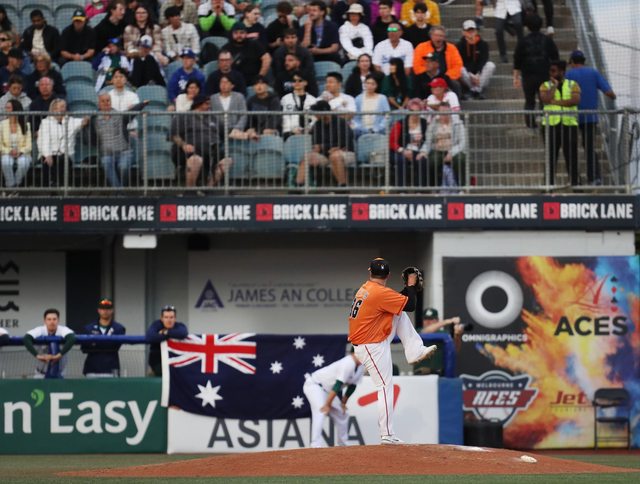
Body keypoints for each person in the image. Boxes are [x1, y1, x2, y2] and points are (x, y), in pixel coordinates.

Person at [348, 258, 436, 444]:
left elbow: (399, 302)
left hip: (373, 340)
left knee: (399, 311)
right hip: (370, 345)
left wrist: (408, 288)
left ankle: (415, 350)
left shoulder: (366, 288)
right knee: (385, 386)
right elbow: (411, 305)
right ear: (388, 275)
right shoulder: (380, 293)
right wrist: (410, 285)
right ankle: (387, 434)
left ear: (369, 272)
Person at [566, 50, 616, 186]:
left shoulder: (568, 74)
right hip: (590, 117)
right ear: (584, 61)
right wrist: (613, 98)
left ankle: (575, 180)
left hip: (572, 117)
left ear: (572, 62)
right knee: (589, 147)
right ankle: (594, 178)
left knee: (570, 148)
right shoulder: (593, 73)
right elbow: (610, 93)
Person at [302, 348, 364, 448]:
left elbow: (352, 386)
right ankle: (315, 444)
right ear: (354, 353)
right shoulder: (348, 362)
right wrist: (327, 404)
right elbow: (338, 385)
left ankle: (343, 443)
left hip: (328, 390)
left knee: (342, 414)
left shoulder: (361, 366)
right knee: (321, 410)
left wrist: (343, 403)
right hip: (315, 385)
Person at [90, 92, 148, 187]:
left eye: (108, 100)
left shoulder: (119, 115)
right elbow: (89, 135)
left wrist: (142, 104)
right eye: (103, 101)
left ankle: (119, 190)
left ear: (111, 102)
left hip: (124, 152)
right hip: (106, 154)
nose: (106, 103)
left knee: (123, 167)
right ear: (99, 104)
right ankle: (120, 191)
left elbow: (132, 112)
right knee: (106, 163)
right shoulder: (94, 119)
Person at [539, 59, 581, 187]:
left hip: (569, 125)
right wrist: (554, 86)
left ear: (562, 72)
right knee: (551, 157)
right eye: (550, 71)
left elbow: (575, 100)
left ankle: (575, 184)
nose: (551, 73)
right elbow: (546, 99)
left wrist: (556, 102)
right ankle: (549, 185)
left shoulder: (573, 84)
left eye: (554, 71)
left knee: (571, 157)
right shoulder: (545, 85)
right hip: (550, 126)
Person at [513, 14, 558, 129]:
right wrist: (554, 75)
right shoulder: (547, 40)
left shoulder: (523, 41)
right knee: (545, 101)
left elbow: (517, 60)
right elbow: (555, 58)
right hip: (544, 74)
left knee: (529, 101)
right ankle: (545, 124)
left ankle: (530, 125)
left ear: (527, 26)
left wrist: (516, 77)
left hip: (528, 76)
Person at [171, 94, 226, 187]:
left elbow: (228, 132)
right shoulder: (183, 116)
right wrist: (184, 145)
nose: (209, 106)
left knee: (226, 161)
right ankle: (190, 191)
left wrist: (246, 134)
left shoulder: (214, 118)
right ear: (199, 104)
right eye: (207, 103)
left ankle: (209, 188)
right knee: (196, 159)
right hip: (190, 151)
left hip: (212, 150)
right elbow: (174, 135)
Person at [296, 100, 354, 187]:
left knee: (335, 156)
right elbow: (316, 143)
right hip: (324, 154)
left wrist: (324, 146)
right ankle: (298, 185)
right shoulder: (317, 125)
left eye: (317, 113)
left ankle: (342, 186)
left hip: (345, 152)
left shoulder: (341, 122)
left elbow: (344, 142)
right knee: (307, 157)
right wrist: (319, 148)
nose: (315, 115)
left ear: (324, 111)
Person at [37, 98, 87, 187]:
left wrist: (87, 119)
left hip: (65, 154)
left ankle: (61, 187)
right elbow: (43, 140)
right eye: (61, 107)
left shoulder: (70, 121)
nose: (64, 109)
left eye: (64, 106)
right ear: (54, 109)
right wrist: (47, 155)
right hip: (49, 153)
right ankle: (48, 188)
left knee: (63, 161)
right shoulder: (46, 122)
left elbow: (82, 121)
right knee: (47, 162)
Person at [417, 102, 466, 189]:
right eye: (441, 112)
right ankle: (435, 187)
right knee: (433, 160)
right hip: (437, 149)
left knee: (460, 159)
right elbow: (428, 141)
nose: (444, 115)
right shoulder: (433, 123)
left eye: (446, 112)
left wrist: (451, 152)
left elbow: (462, 142)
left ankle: (462, 187)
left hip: (453, 149)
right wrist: (423, 151)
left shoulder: (458, 123)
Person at [23, 308, 76, 379]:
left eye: (54, 319)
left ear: (58, 320)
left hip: (60, 373)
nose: (52, 322)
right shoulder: (40, 330)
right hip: (40, 373)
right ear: (45, 321)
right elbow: (26, 338)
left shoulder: (63, 329)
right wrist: (37, 356)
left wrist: (59, 355)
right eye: (49, 319)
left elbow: (72, 338)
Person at [81, 298, 127, 377]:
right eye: (102, 309)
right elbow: (84, 348)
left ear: (112, 310)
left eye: (108, 309)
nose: (105, 311)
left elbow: (114, 347)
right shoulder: (89, 328)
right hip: (92, 368)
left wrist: (94, 343)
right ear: (98, 310)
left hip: (111, 368)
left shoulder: (119, 328)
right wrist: (106, 342)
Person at [413, 26, 463, 97]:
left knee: (455, 84)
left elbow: (458, 66)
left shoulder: (452, 48)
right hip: (427, 77)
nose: (438, 38)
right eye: (436, 35)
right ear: (431, 36)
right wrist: (430, 75)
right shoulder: (421, 47)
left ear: (444, 37)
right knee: (418, 82)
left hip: (446, 77)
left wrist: (446, 77)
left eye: (441, 36)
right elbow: (416, 66)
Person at [389, 97, 428, 186]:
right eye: (412, 111)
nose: (414, 114)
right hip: (399, 150)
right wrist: (403, 151)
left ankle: (420, 189)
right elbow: (392, 142)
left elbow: (428, 140)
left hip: (417, 150)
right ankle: (401, 189)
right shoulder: (400, 123)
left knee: (422, 160)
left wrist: (423, 152)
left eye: (417, 111)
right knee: (401, 160)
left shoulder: (424, 123)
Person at [413, 307, 462, 375]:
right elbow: (425, 332)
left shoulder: (444, 333)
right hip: (421, 373)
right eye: (426, 319)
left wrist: (458, 336)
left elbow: (455, 350)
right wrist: (448, 321)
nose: (428, 321)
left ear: (437, 320)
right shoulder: (417, 331)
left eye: (431, 319)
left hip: (439, 373)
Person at [456, 19, 495, 100]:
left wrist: (478, 74)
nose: (471, 33)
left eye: (472, 30)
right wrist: (471, 74)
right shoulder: (459, 45)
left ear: (476, 31)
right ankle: (477, 91)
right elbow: (461, 62)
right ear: (463, 32)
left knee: (490, 65)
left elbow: (483, 60)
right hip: (468, 75)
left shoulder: (483, 44)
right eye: (468, 31)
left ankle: (475, 90)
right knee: (460, 68)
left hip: (480, 76)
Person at [223, 22, 271, 87]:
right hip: (233, 83)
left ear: (246, 33)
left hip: (254, 82)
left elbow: (267, 58)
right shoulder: (226, 48)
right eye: (236, 33)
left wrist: (260, 76)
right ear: (232, 34)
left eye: (242, 33)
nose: (239, 35)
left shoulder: (254, 44)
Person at [146, 304, 189, 376]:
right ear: (162, 318)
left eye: (171, 317)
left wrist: (165, 332)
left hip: (175, 363)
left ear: (175, 318)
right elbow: (150, 336)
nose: (169, 320)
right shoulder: (156, 325)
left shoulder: (178, 326)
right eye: (166, 317)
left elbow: (183, 333)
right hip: (157, 364)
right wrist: (172, 335)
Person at [273, 28, 316, 96]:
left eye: (293, 37)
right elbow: (278, 72)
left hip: (304, 80)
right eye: (287, 38)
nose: (290, 40)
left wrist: (298, 78)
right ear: (284, 39)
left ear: (297, 39)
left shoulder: (305, 52)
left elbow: (310, 71)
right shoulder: (278, 53)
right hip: (285, 81)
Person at [0, 100, 32, 188]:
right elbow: (0, 144)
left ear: (15, 109)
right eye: (6, 108)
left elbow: (29, 145)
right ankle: (10, 185)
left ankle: (17, 183)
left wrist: (20, 151)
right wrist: (9, 151)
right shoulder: (1, 125)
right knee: (6, 162)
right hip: (6, 151)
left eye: (8, 108)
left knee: (23, 163)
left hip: (22, 152)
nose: (6, 110)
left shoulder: (26, 125)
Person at [210, 74, 248, 140]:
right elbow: (210, 115)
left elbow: (243, 115)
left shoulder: (239, 97)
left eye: (226, 82)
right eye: (221, 82)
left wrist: (237, 128)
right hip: (218, 130)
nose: (223, 85)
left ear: (232, 85)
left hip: (235, 129)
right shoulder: (213, 98)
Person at [281, 72, 318, 139]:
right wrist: (291, 130)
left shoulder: (313, 100)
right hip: (289, 133)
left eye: (300, 80)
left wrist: (307, 129)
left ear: (305, 83)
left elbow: (314, 119)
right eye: (294, 81)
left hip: (309, 132)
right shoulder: (285, 99)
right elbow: (285, 117)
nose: (296, 83)